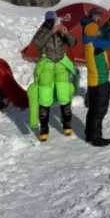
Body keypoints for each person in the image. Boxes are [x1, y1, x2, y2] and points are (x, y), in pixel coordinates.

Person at [29, 10, 78, 141]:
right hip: (47, 64)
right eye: (49, 21)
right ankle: (44, 127)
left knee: (64, 92)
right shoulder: (43, 30)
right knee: (44, 95)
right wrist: (51, 31)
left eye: (53, 20)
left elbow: (73, 43)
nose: (51, 23)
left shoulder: (62, 29)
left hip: (61, 63)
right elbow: (37, 43)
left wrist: (66, 34)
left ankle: (67, 122)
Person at [82, 9, 110, 147]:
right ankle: (96, 138)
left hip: (93, 81)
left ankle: (89, 134)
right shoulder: (95, 42)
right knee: (99, 110)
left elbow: (100, 33)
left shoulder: (88, 37)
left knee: (92, 109)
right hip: (101, 81)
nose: (98, 20)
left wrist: (107, 25)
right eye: (96, 18)